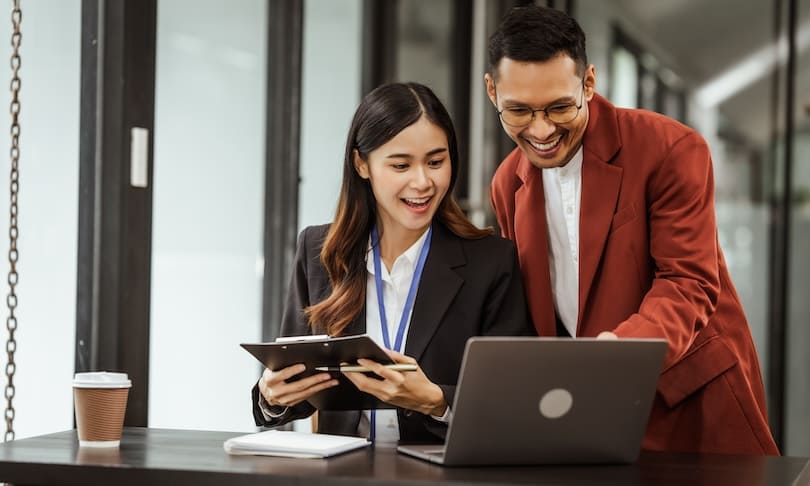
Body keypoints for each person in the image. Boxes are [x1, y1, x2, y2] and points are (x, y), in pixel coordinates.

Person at [484, 5, 778, 455]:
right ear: (492, 93)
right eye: (519, 111)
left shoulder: (668, 149)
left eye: (560, 107)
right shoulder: (508, 183)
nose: (541, 130)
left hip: (688, 405)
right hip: (588, 415)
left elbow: (688, 282)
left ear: (588, 83)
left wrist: (619, 350)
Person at [252, 82, 532, 444]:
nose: (422, 182)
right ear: (362, 164)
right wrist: (273, 397)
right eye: (401, 165)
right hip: (343, 470)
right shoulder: (319, 251)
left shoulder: (491, 262)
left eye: (436, 162)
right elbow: (294, 385)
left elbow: (513, 403)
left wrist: (436, 401)